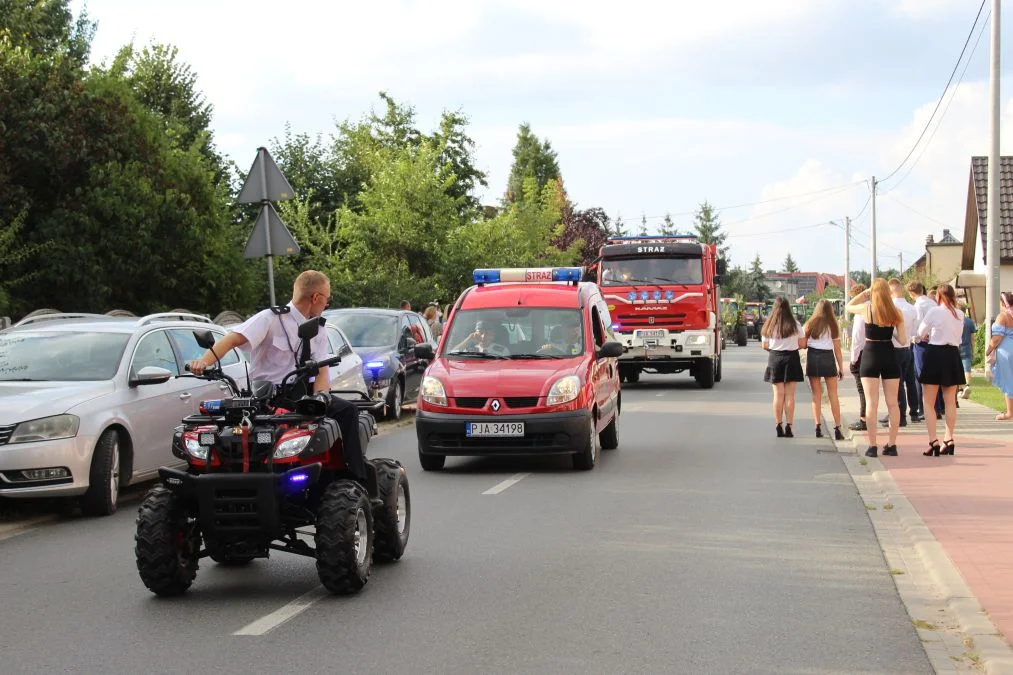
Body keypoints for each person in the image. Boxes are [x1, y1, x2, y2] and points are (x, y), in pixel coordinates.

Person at [186, 270, 368, 482]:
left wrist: (320, 397)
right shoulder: (270, 318)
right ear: (316, 297)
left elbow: (321, 370)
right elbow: (232, 340)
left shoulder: (319, 329)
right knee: (220, 430)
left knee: (348, 411)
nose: (326, 304)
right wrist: (204, 362)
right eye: (327, 299)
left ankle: (355, 478)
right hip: (266, 398)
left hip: (302, 397)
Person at [846, 279, 906, 458]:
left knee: (872, 403)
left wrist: (865, 293)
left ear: (873, 293)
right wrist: (891, 330)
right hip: (888, 353)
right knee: (892, 403)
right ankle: (892, 444)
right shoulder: (896, 312)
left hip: (870, 354)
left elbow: (849, 306)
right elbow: (903, 341)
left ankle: (872, 446)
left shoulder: (866, 309)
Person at [914, 284, 965, 456]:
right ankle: (949, 439)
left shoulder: (935, 311)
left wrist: (926, 336)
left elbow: (921, 333)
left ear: (939, 297)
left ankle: (933, 440)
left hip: (935, 354)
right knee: (950, 401)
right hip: (952, 355)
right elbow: (958, 337)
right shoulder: (960, 314)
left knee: (928, 401)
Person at [762, 296, 807, 438]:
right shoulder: (795, 324)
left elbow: (764, 345)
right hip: (792, 358)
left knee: (778, 395)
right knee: (790, 395)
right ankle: (789, 426)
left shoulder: (769, 325)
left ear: (774, 308)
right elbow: (802, 344)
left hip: (775, 358)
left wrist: (776, 348)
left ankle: (778, 425)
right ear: (788, 308)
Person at [803, 299, 845, 440]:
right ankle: (838, 428)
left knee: (816, 395)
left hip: (813, 357)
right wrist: (841, 367)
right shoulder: (833, 325)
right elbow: (837, 350)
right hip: (828, 358)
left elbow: (803, 343)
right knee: (833, 394)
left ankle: (817, 426)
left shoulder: (810, 323)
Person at [986, 292, 1013, 420]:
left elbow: (997, 338)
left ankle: (1010, 412)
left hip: (1007, 353)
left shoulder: (1003, 316)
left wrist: (988, 350)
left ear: (1003, 303)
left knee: (1008, 381)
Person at [958, 302, 976, 399]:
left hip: (956, 348)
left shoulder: (955, 320)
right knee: (967, 370)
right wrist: (973, 349)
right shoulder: (969, 322)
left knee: (958, 370)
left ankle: (961, 389)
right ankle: (968, 385)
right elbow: (973, 338)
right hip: (967, 348)